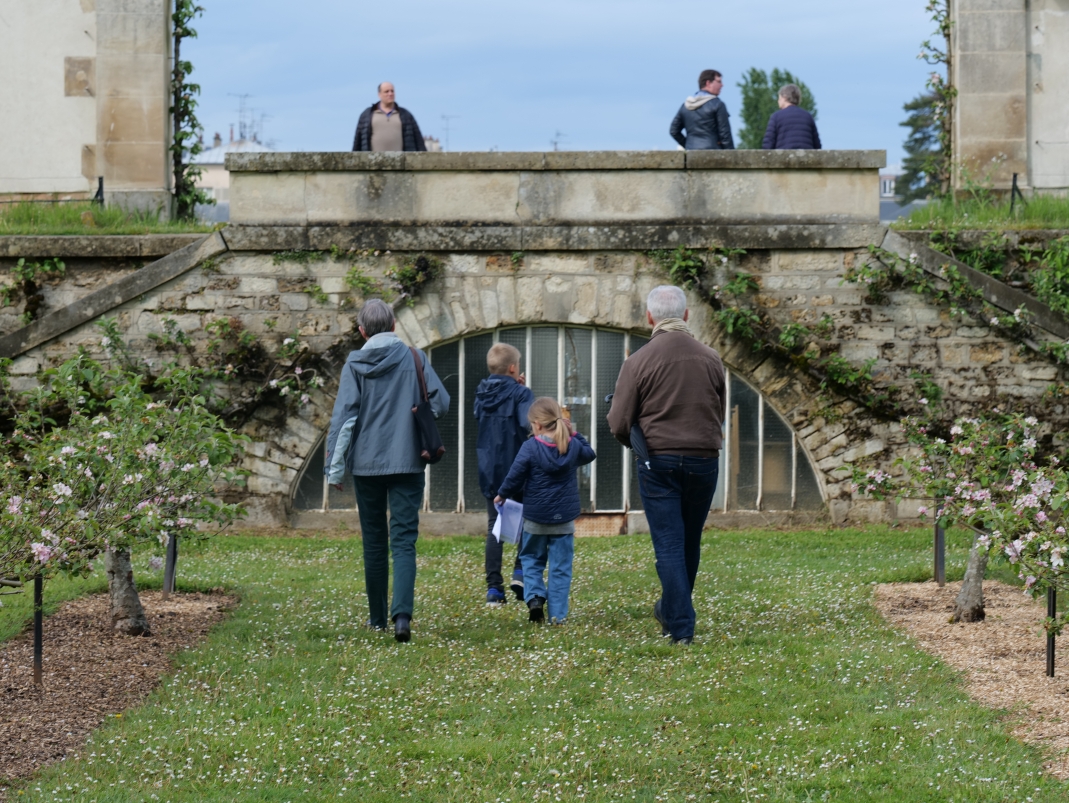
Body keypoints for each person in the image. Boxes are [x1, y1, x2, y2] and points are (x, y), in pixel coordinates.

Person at [324, 299, 449, 643]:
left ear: (362, 331)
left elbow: (344, 419)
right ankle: (402, 618)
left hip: (366, 466)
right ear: (395, 325)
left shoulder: (353, 363)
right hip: (408, 461)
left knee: (374, 543)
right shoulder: (415, 357)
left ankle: (377, 619)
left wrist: (334, 470)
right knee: (404, 541)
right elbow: (441, 403)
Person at [606, 286, 726, 644]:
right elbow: (717, 410)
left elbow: (617, 422)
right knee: (689, 541)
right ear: (686, 315)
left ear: (649, 317)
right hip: (704, 460)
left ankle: (680, 625)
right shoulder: (711, 358)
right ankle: (672, 611)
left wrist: (637, 444)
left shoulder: (639, 361)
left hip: (658, 461)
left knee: (669, 545)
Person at [495, 398, 596, 625]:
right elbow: (590, 454)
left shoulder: (530, 447)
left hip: (535, 518)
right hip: (564, 521)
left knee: (531, 559)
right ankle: (558, 616)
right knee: (561, 568)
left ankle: (535, 599)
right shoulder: (572, 445)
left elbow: (515, 476)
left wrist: (501, 495)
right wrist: (574, 434)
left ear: (538, 424)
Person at [475, 343, 535, 605]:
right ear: (513, 368)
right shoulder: (522, 394)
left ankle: (494, 590)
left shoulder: (481, 393)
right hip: (517, 467)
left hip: (489, 468)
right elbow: (527, 423)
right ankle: (520, 573)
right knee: (528, 522)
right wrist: (522, 392)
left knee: (495, 528)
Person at [352, 82, 428, 153]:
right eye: (386, 91)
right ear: (379, 94)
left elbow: (418, 140)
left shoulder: (406, 115)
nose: (390, 93)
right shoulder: (367, 115)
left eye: (392, 91)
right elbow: (357, 141)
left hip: (401, 164)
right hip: (373, 164)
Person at [669, 69, 735, 151]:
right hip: (714, 154)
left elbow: (674, 131)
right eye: (719, 82)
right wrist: (732, 156)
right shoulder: (718, 104)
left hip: (691, 155)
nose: (722, 85)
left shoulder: (686, 106)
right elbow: (725, 135)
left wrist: (688, 145)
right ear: (708, 83)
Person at [762, 84, 821, 150]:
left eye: (779, 98)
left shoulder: (776, 117)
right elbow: (817, 146)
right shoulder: (808, 116)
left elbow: (768, 144)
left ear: (784, 97)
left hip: (783, 158)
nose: (778, 101)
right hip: (806, 158)